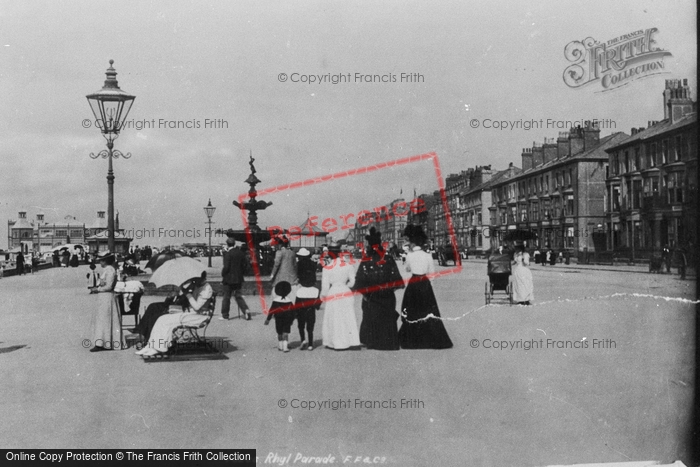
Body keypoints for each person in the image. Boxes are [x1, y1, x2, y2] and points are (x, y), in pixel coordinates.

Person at [398, 225, 453, 349]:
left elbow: (407, 269)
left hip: (414, 282)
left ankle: (413, 338)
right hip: (425, 283)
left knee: (412, 310)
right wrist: (429, 285)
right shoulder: (427, 256)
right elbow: (432, 273)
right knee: (428, 310)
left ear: (412, 243)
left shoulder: (410, 256)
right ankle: (430, 337)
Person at [135, 272, 213, 356]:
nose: (193, 281)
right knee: (161, 319)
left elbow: (197, 307)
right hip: (191, 313)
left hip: (198, 316)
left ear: (200, 278)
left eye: (195, 279)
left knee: (166, 322)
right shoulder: (199, 285)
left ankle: (159, 347)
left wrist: (187, 294)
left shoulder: (206, 289)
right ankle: (151, 345)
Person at [355, 227, 404, 350]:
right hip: (387, 295)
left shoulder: (366, 260)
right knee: (387, 316)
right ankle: (388, 341)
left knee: (370, 314)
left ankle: (372, 341)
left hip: (372, 296)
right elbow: (397, 279)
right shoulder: (388, 258)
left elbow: (360, 280)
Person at [321, 242, 361, 350]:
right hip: (345, 290)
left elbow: (325, 287)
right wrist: (345, 285)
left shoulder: (327, 267)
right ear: (340, 253)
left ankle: (335, 342)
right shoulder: (348, 265)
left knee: (334, 316)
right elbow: (353, 282)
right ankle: (351, 341)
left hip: (333, 291)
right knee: (347, 315)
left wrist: (323, 295)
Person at [88, 251, 126, 352]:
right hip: (103, 297)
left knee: (105, 319)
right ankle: (104, 342)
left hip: (107, 297)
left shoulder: (110, 270)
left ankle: (102, 343)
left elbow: (109, 286)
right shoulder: (107, 270)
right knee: (103, 319)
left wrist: (97, 289)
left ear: (106, 261)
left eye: (102, 260)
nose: (100, 262)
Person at [295, 248, 321, 350]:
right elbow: (317, 305)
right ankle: (310, 344)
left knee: (301, 323)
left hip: (302, 291)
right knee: (310, 325)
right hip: (312, 291)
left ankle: (303, 340)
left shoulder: (299, 264)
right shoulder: (313, 264)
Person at [220, 238, 251, 320]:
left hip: (229, 278)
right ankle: (245, 310)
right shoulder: (241, 253)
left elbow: (226, 267)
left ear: (227, 244)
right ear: (234, 244)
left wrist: (223, 274)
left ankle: (225, 315)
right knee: (238, 296)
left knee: (226, 297)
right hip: (238, 278)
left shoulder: (227, 254)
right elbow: (245, 265)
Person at [264, 281, 296, 352]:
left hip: (278, 319)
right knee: (285, 332)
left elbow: (271, 311)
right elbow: (293, 312)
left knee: (279, 332)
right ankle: (285, 347)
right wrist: (292, 319)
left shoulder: (275, 301)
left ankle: (280, 346)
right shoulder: (289, 301)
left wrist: (268, 319)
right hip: (287, 319)